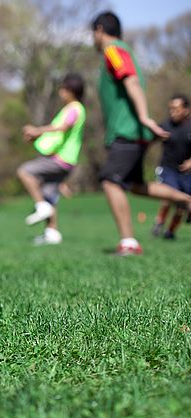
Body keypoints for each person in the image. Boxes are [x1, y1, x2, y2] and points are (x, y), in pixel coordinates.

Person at [91, 11, 191, 255]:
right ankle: (186, 200)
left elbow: (131, 81)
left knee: (110, 182)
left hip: (127, 131)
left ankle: (129, 242)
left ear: (100, 31)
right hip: (132, 131)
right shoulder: (124, 49)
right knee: (135, 185)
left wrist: (145, 117)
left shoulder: (112, 50)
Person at [17, 73, 87, 246]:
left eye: (64, 89)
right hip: (62, 159)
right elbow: (57, 136)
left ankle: (40, 206)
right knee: (49, 194)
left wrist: (37, 130)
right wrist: (36, 138)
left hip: (61, 160)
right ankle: (52, 233)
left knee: (25, 171)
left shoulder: (74, 109)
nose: (60, 92)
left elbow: (62, 128)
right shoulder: (70, 109)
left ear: (72, 91)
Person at [151, 94, 191, 240]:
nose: (172, 112)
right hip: (167, 169)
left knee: (182, 202)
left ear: (186, 110)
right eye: (170, 109)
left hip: (185, 173)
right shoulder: (164, 126)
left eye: (176, 109)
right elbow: (149, 140)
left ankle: (170, 231)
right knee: (169, 194)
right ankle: (159, 222)